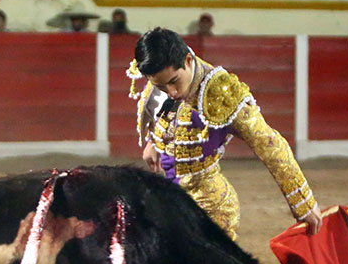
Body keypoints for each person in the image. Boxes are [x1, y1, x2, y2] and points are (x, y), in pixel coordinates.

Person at [127, 27, 322, 241]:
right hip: (169, 198)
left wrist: (303, 201)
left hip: (210, 206)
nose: (172, 92)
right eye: (161, 86)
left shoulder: (220, 92)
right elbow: (159, 106)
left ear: (189, 61)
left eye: (174, 81)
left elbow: (270, 144)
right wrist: (155, 141)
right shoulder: (161, 74)